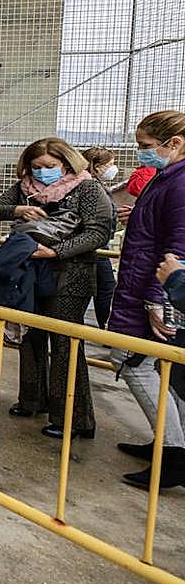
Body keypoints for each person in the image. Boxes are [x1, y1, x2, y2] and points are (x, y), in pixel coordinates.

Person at [0, 138, 113, 439]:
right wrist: (18, 210)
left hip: (70, 277)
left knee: (66, 345)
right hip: (28, 275)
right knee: (30, 337)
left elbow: (99, 232)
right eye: (36, 167)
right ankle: (32, 399)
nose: (42, 173)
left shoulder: (87, 188)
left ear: (65, 163)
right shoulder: (25, 188)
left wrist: (57, 251)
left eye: (49, 167)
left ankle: (72, 418)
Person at [108, 110, 185, 489]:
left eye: (145, 147)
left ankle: (173, 454)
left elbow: (178, 249)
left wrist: (158, 300)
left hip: (150, 293)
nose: (141, 154)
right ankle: (172, 444)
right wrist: (137, 214)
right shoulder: (167, 178)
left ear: (175, 144)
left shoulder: (179, 183)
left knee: (134, 363)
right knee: (164, 371)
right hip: (143, 285)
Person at [82, 146, 120, 329]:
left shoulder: (95, 185)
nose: (114, 168)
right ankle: (105, 327)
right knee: (104, 287)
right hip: (95, 247)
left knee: (101, 287)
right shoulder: (92, 187)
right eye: (110, 164)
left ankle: (104, 326)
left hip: (98, 245)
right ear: (96, 166)